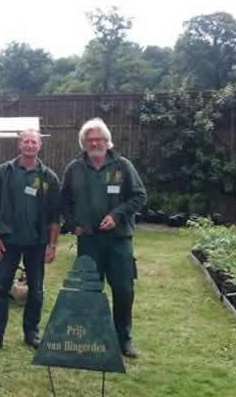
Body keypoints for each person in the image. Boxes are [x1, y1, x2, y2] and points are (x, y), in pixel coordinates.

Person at [60, 118, 147, 358]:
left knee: (123, 290)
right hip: (88, 240)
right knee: (88, 290)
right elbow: (63, 201)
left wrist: (117, 215)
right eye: (90, 140)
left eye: (98, 139)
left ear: (107, 141)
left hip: (119, 240)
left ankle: (124, 340)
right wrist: (72, 224)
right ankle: (90, 337)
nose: (94, 143)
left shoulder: (122, 166)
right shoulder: (74, 168)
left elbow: (139, 196)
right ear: (83, 143)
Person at [0, 129, 61, 354]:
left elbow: (55, 215)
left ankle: (31, 333)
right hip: (8, 241)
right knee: (1, 288)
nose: (30, 145)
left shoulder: (48, 177)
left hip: (37, 242)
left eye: (34, 142)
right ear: (19, 145)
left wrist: (52, 246)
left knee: (36, 290)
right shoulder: (4, 172)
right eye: (26, 141)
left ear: (40, 146)